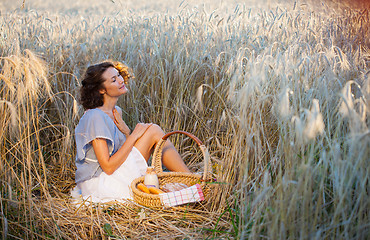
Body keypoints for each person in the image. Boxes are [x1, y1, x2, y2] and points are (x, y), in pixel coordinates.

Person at [73, 61, 190, 203]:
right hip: (99, 184)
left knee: (153, 130)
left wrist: (128, 133)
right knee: (153, 130)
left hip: (114, 174)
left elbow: (124, 154)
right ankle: (191, 180)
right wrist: (134, 136)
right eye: (114, 80)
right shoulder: (95, 116)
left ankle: (189, 180)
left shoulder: (116, 112)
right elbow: (108, 167)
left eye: (118, 75)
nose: (121, 80)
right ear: (102, 90)